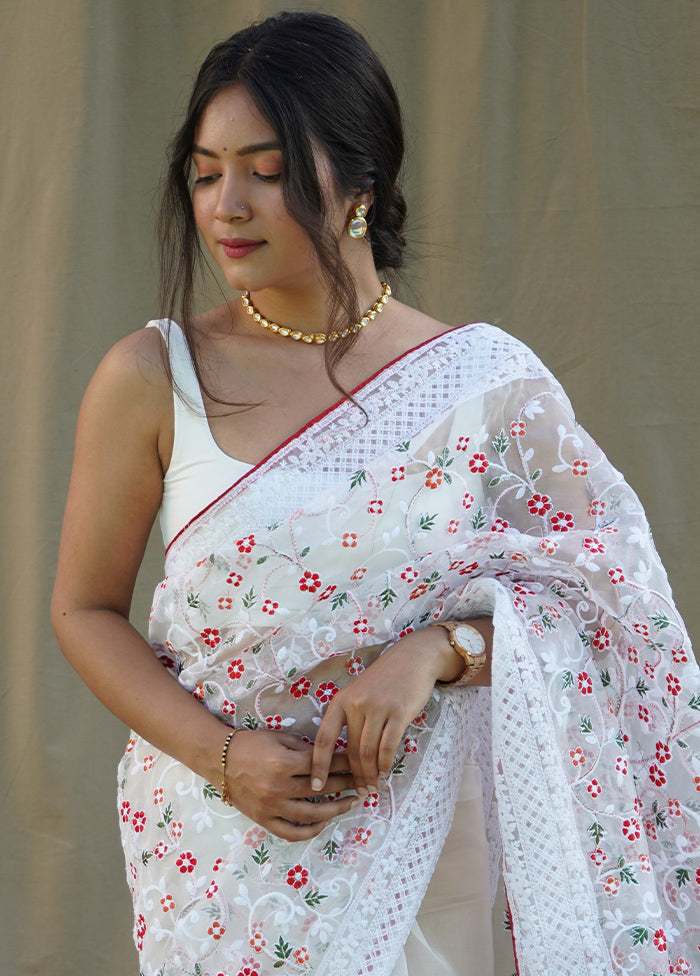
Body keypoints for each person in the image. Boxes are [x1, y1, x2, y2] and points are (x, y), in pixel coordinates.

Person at [51, 11, 699, 976]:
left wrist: (439, 650)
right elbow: (84, 609)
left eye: (266, 170)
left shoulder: (484, 385)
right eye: (204, 170)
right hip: (222, 853)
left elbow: (616, 602)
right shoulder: (155, 374)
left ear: (363, 186)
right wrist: (223, 760)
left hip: (432, 839)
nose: (227, 203)